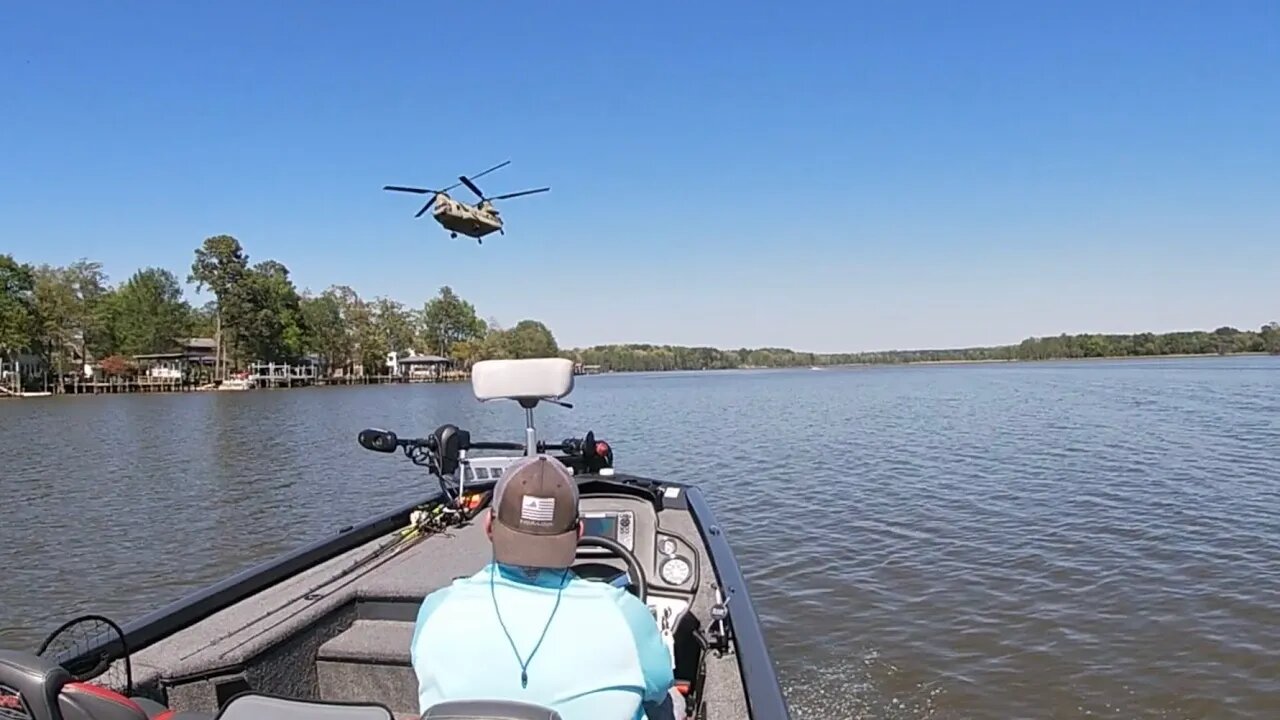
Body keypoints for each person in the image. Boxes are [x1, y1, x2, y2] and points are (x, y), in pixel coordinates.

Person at [410, 454, 681, 720]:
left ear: (490, 526)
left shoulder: (435, 609)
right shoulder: (627, 616)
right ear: (579, 533)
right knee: (671, 701)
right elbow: (658, 687)